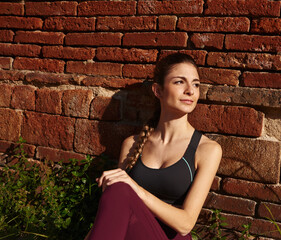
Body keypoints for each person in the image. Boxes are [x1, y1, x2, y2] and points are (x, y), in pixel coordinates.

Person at [86, 53, 222, 240]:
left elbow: (186, 224)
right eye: (179, 82)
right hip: (132, 233)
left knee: (122, 188)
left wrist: (135, 189)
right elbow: (114, 211)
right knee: (118, 190)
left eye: (196, 84)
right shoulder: (132, 145)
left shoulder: (207, 149)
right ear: (158, 91)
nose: (190, 90)